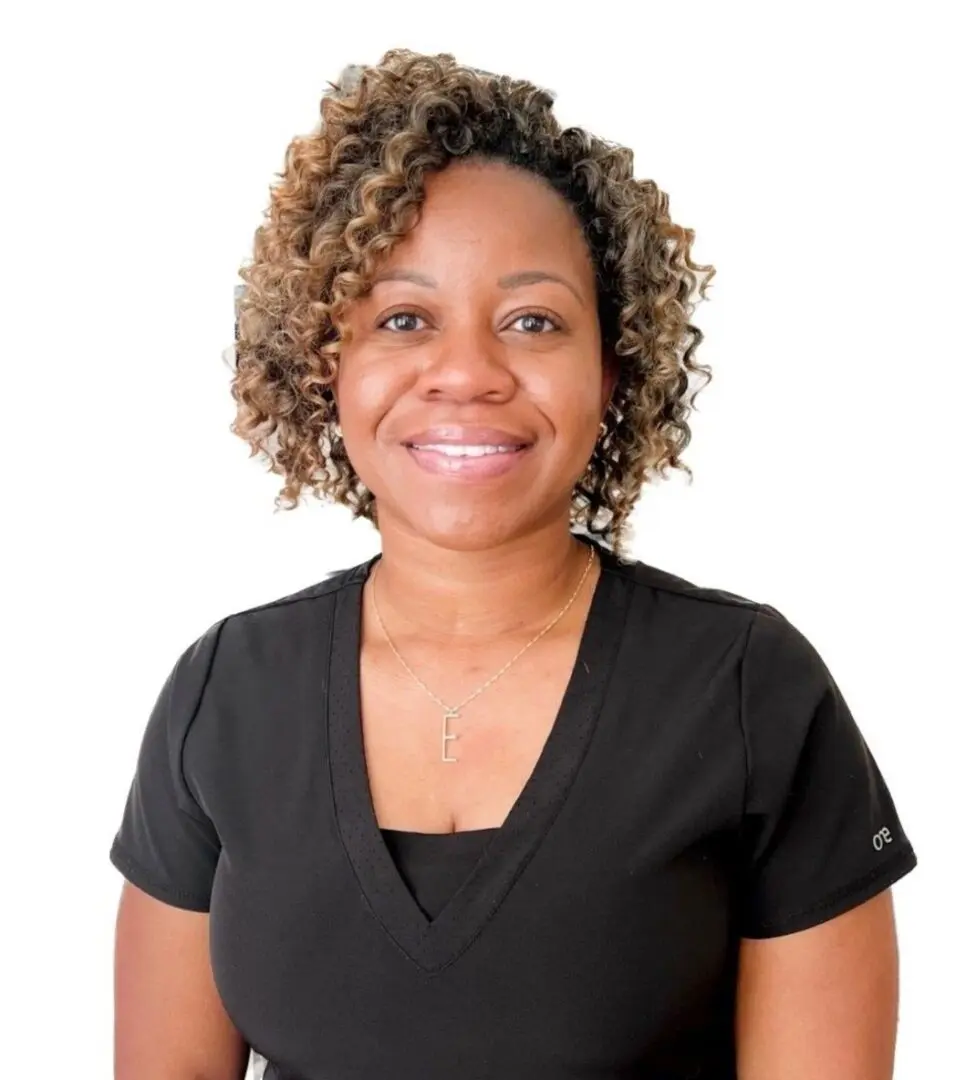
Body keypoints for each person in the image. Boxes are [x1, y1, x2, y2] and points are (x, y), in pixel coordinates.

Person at [109, 48, 918, 1080]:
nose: (467, 374)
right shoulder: (224, 693)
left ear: (611, 367)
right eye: (405, 319)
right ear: (326, 363)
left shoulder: (749, 689)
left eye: (533, 322)